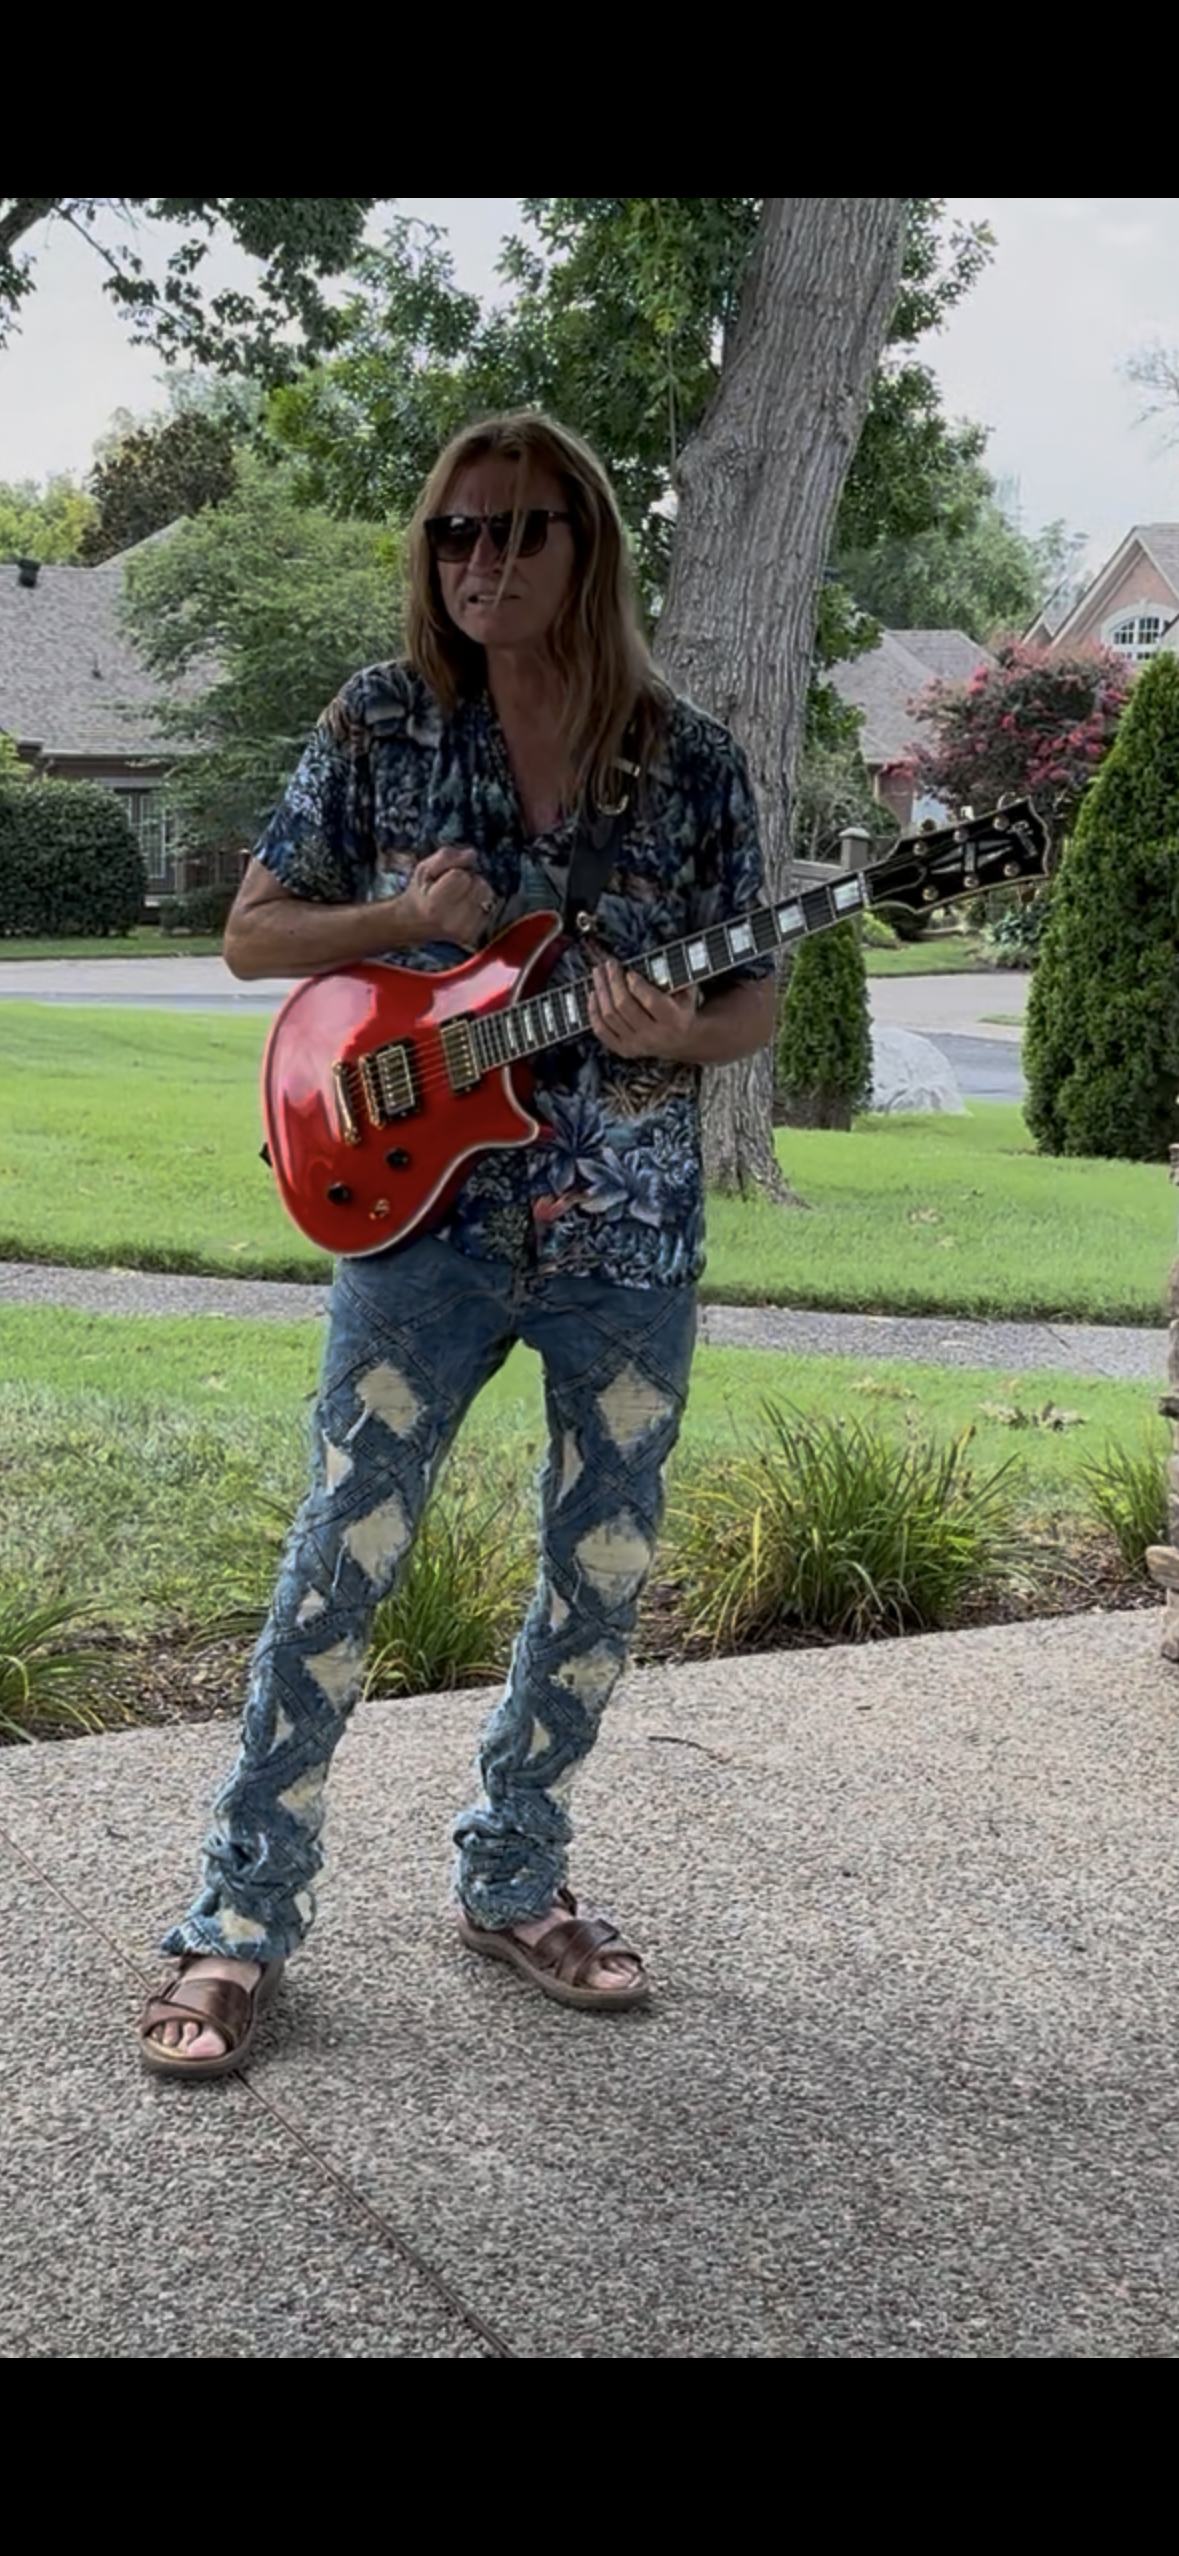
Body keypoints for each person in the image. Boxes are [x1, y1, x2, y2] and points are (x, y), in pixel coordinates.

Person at [139, 411, 776, 2076]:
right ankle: (236, 1919)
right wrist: (407, 925)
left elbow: (754, 992)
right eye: (455, 534)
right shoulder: (381, 721)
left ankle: (516, 1877)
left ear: (588, 545)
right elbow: (252, 935)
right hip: (418, 1220)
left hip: (625, 1234)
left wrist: (675, 1035)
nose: (482, 560)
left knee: (603, 1575)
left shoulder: (688, 758)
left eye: (521, 530)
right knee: (339, 1558)